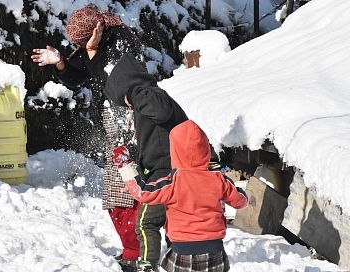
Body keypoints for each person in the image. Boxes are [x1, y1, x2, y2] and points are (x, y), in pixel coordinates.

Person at [31, 6, 143, 271]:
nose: (81, 48)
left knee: (127, 192)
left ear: (97, 28)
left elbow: (113, 80)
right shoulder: (93, 42)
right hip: (111, 123)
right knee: (120, 194)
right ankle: (134, 249)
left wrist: (92, 51)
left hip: (130, 123)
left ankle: (137, 251)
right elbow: (78, 77)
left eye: (83, 43)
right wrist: (60, 62)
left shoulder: (121, 40)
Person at [112, 120, 249, 272]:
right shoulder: (218, 179)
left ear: (175, 150)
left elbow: (142, 193)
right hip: (214, 251)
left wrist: (125, 166)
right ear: (205, 149)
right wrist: (243, 195)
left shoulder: (173, 182)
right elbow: (239, 202)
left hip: (184, 251)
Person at [104, 53, 189, 271]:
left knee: (145, 222)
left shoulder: (143, 94)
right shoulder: (153, 97)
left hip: (165, 174)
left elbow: (159, 112)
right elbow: (158, 134)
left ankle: (146, 265)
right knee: (173, 224)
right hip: (172, 170)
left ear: (124, 89)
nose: (127, 106)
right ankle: (178, 262)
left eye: (122, 100)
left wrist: (134, 94)